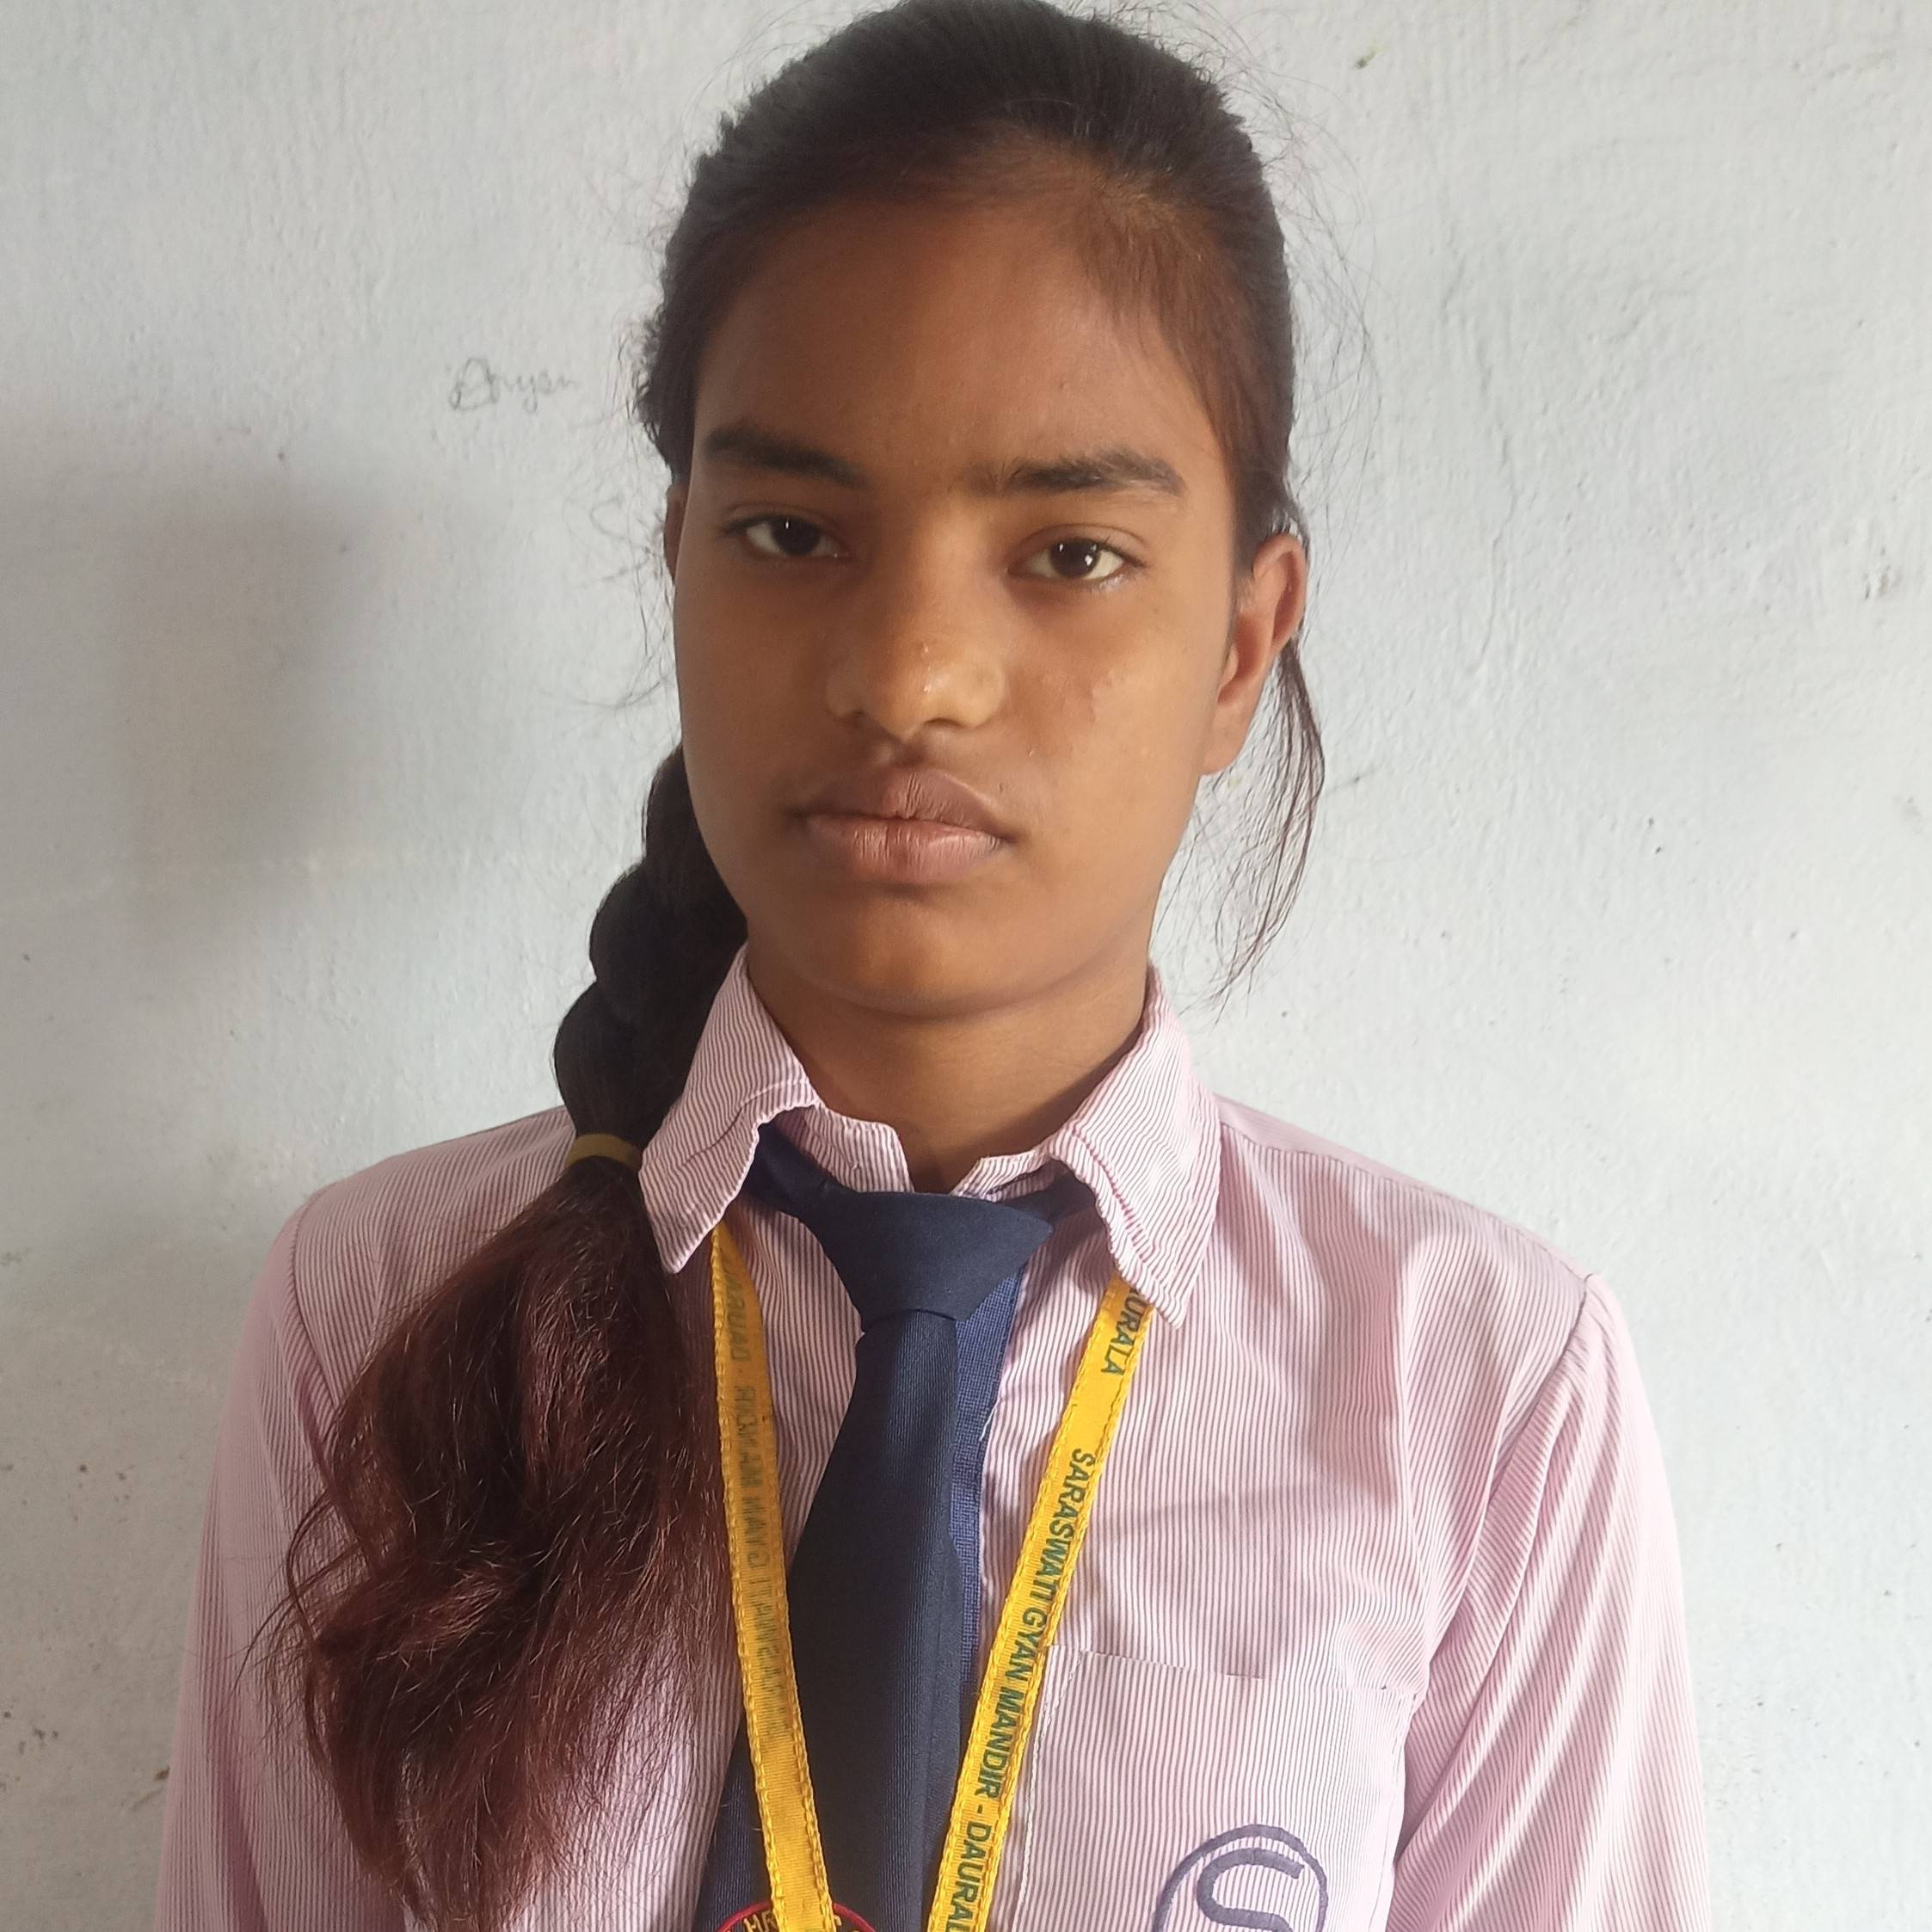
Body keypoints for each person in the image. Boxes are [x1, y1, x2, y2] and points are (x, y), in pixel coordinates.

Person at [152, 2, 1713, 1928]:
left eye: (1068, 553)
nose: (908, 675)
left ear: (1242, 642)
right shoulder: (375, 1311)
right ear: (677, 559)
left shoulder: (1481, 1392)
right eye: (790, 530)